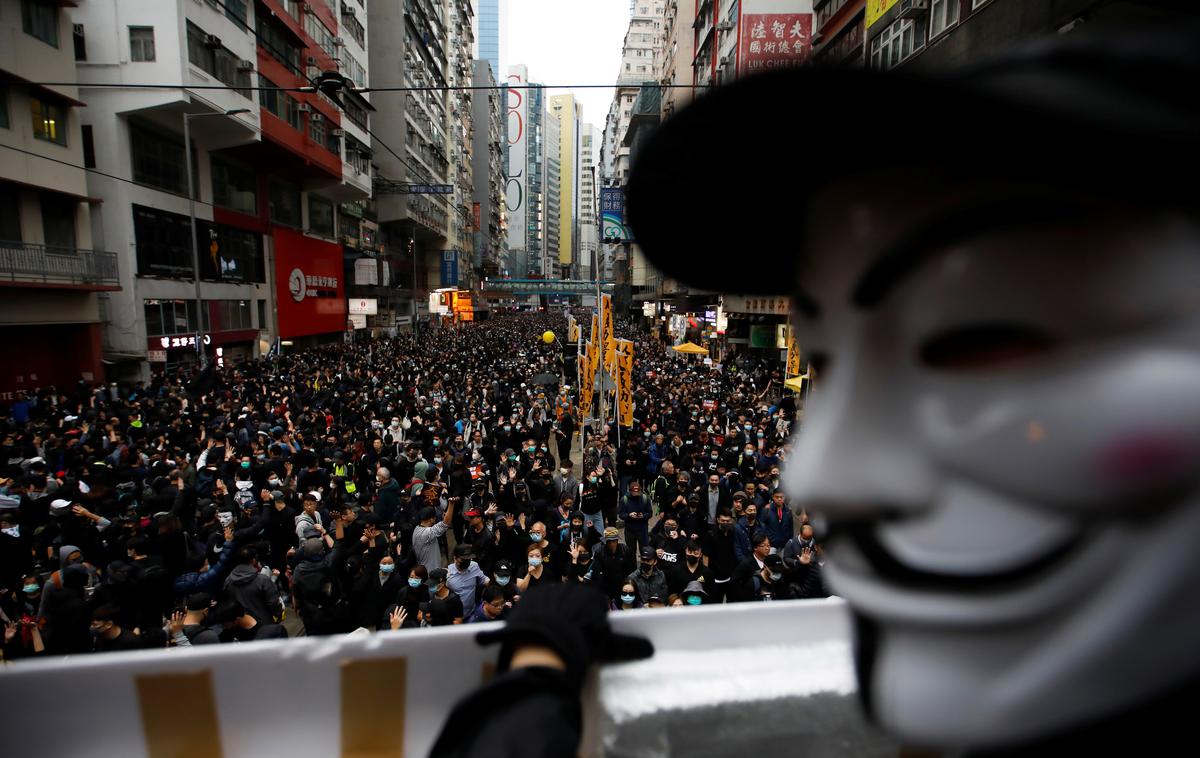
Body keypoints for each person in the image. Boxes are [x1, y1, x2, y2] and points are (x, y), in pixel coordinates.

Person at [411, 497, 456, 572]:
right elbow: (446, 523)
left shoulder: (417, 529)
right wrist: (451, 504)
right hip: (430, 572)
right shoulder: (427, 533)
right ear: (431, 519)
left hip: (423, 569)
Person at [446, 543, 489, 615]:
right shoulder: (448, 574)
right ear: (455, 558)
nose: (466, 562)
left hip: (471, 613)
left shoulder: (474, 566)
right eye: (463, 560)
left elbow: (484, 580)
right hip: (455, 617)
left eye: (468, 559)